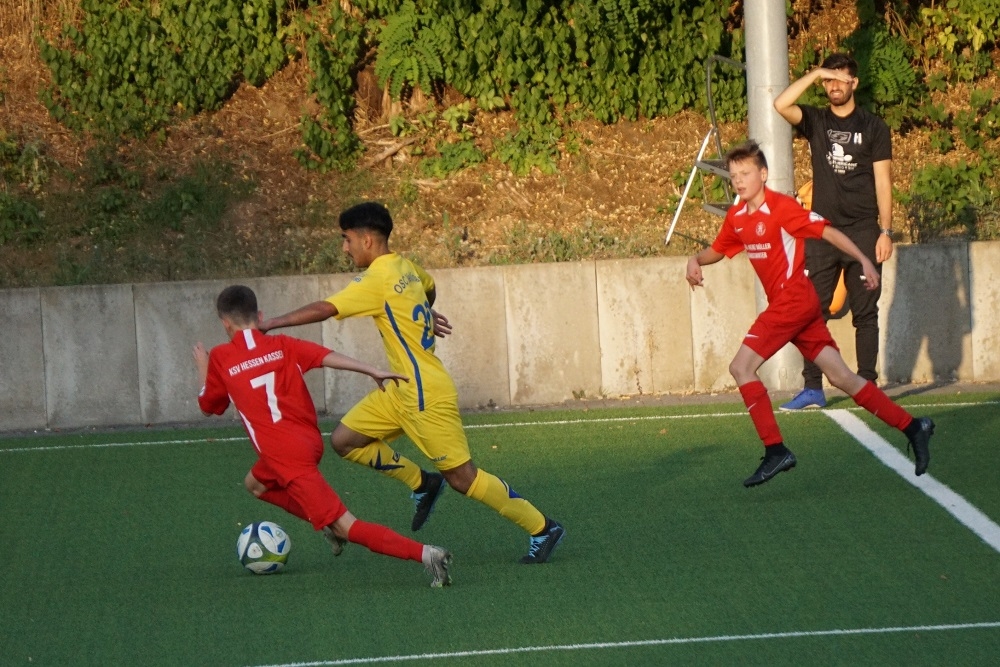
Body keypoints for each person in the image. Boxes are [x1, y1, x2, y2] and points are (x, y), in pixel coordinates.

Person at [260, 202, 565, 564]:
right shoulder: (405, 267)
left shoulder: (376, 279)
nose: (344, 248)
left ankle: (542, 527)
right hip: (399, 387)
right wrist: (422, 311)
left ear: (367, 240)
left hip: (425, 396)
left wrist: (270, 324)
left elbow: (325, 308)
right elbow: (429, 288)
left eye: (347, 239)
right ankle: (422, 482)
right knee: (344, 440)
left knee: (463, 478)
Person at [685, 141, 932, 487]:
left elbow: (828, 231)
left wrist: (863, 259)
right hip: (794, 307)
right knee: (842, 377)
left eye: (746, 173)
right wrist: (695, 260)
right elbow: (718, 249)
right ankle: (913, 426)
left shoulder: (782, 208)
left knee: (741, 367)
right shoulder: (737, 217)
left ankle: (776, 450)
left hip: (793, 301)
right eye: (734, 175)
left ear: (763, 174)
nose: (739, 180)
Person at [193, 284, 453, 587]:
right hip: (308, 443)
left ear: (225, 323)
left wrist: (203, 367)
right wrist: (371, 370)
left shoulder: (221, 357)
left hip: (286, 457)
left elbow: (209, 406)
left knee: (347, 527)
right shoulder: (282, 344)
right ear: (259, 316)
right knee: (256, 484)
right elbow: (326, 356)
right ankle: (325, 524)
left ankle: (428, 555)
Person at [773, 52, 894, 411]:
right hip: (822, 232)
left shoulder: (874, 127)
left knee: (865, 312)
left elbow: (883, 181)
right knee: (813, 312)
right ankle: (813, 387)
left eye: (841, 79)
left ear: (854, 83)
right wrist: (815, 74)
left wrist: (885, 231)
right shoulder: (816, 120)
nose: (834, 85)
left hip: (863, 232)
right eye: (829, 80)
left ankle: (867, 386)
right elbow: (781, 104)